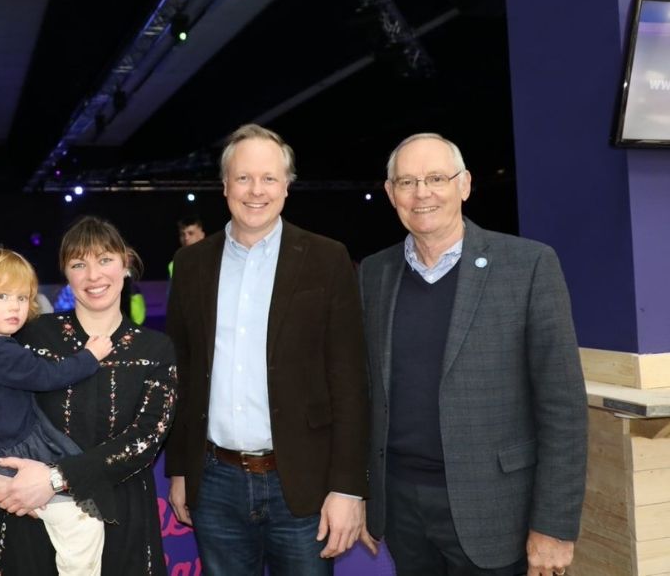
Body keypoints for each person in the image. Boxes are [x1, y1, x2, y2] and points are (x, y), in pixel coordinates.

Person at [360, 133, 587, 576]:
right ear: (390, 194)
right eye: (406, 182)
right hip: (402, 507)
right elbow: (366, 392)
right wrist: (367, 493)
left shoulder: (529, 265)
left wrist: (554, 525)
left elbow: (563, 407)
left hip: (497, 511)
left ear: (464, 185)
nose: (421, 193)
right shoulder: (373, 273)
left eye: (436, 178)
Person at [165, 123, 371, 575]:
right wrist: (179, 470)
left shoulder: (326, 258)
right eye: (243, 178)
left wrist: (349, 488)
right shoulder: (191, 264)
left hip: (303, 484)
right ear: (225, 186)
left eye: (269, 178)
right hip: (215, 483)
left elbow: (351, 380)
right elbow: (182, 371)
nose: (255, 190)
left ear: (286, 186)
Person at [0, 215, 177, 575]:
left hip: (118, 518)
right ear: (66, 272)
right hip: (25, 516)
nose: (93, 276)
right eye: (79, 264)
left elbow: (147, 439)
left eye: (105, 260)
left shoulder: (156, 348)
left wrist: (56, 478)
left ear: (126, 265)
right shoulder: (28, 336)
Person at [0, 247, 111, 576]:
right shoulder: (0, 353)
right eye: (3, 296)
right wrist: (91, 356)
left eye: (22, 298)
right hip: (13, 455)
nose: (15, 306)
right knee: (85, 524)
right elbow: (50, 376)